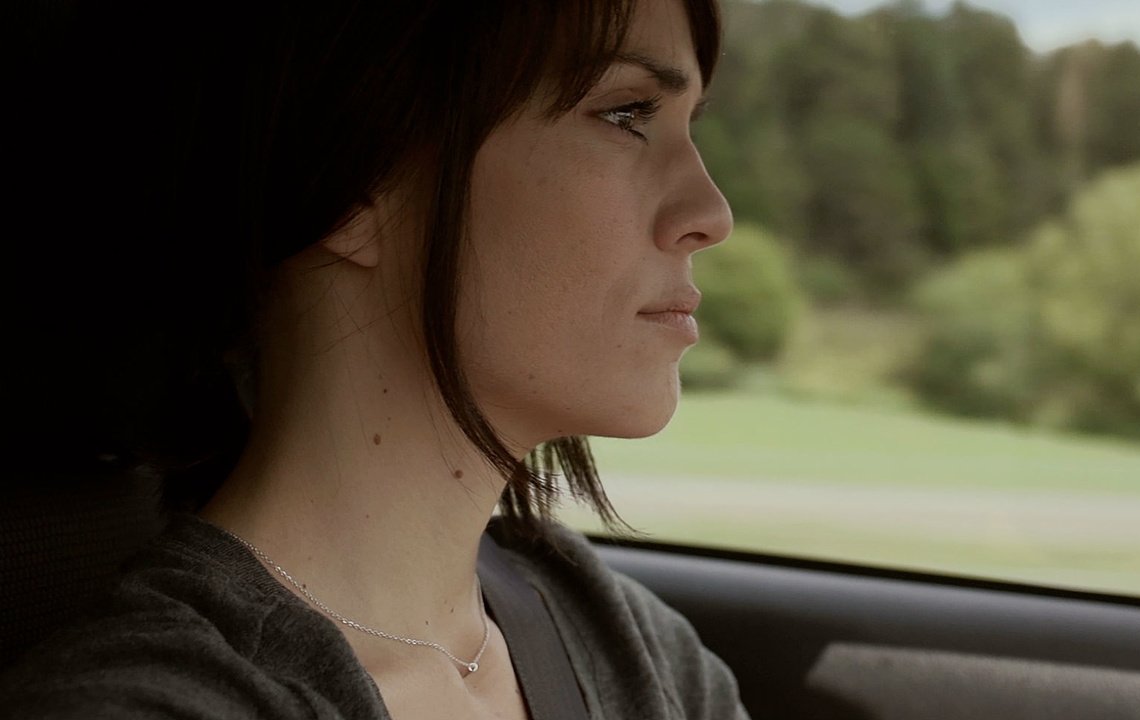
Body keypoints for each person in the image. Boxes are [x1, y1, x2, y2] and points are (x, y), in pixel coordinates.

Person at [0, 0, 745, 718]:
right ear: (356, 182)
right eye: (626, 114)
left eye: (690, 127)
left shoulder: (634, 649)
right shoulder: (153, 704)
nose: (712, 215)